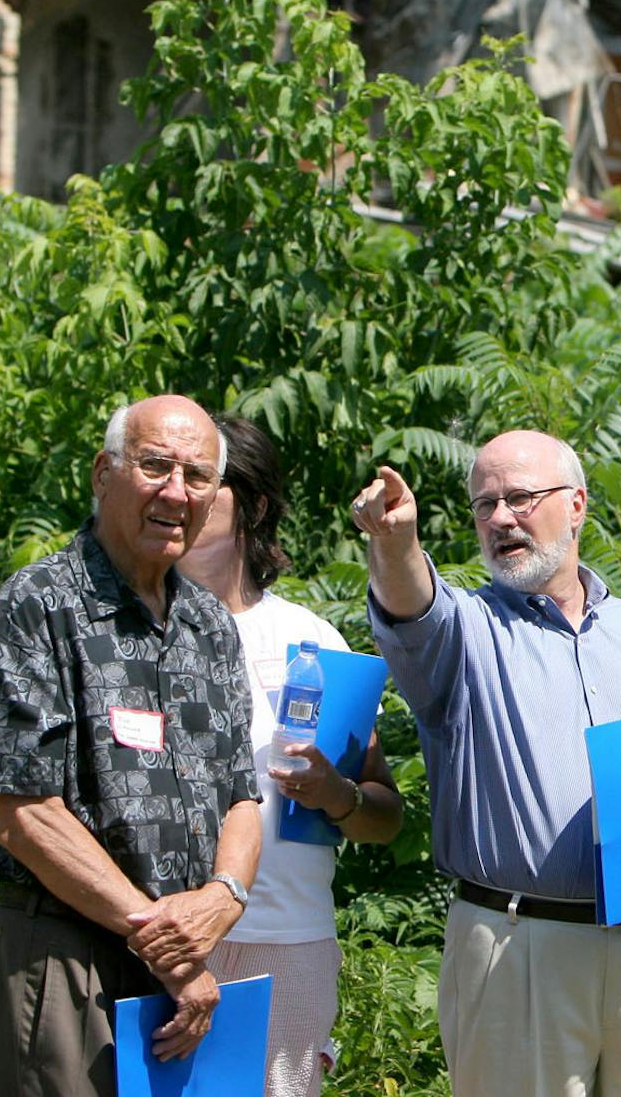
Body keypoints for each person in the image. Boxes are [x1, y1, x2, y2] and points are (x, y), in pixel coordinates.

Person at [349, 430, 621, 1097]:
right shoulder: (464, 631)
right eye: (484, 505)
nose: (500, 518)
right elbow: (410, 602)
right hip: (519, 947)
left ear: (576, 505)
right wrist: (396, 540)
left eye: (520, 497)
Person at [0, 394, 262, 1097]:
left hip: (184, 966)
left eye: (197, 476)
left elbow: (243, 794)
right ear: (103, 472)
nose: (176, 492)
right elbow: (26, 814)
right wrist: (164, 942)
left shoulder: (209, 624)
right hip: (70, 957)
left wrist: (225, 895)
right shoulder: (38, 604)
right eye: (156, 466)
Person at [180, 413, 403, 1097]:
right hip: (164, 930)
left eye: (204, 481)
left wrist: (336, 794)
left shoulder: (309, 637)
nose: (180, 497)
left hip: (288, 940)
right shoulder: (129, 631)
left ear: (255, 505)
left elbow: (384, 812)